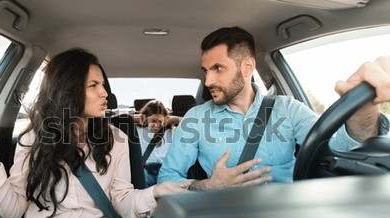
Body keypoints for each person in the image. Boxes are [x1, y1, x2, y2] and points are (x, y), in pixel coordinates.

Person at [0, 48, 190, 218]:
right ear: (67, 90)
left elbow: (123, 203)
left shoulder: (117, 138)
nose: (105, 93)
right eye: (93, 85)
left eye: (103, 85)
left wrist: (156, 192)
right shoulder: (32, 138)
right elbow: (10, 213)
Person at [157, 26, 390, 190]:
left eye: (218, 68)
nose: (208, 82)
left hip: (287, 215)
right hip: (223, 216)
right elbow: (166, 179)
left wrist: (363, 111)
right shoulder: (196, 118)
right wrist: (208, 186)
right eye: (205, 71)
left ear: (247, 67)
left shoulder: (288, 109)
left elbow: (338, 152)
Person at [135, 100, 178, 187]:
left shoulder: (171, 132)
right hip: (146, 171)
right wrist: (137, 118)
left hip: (165, 171)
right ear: (145, 118)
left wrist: (173, 119)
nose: (156, 125)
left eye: (160, 121)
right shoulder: (138, 131)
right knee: (140, 176)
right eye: (153, 121)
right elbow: (114, 120)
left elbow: (195, 124)